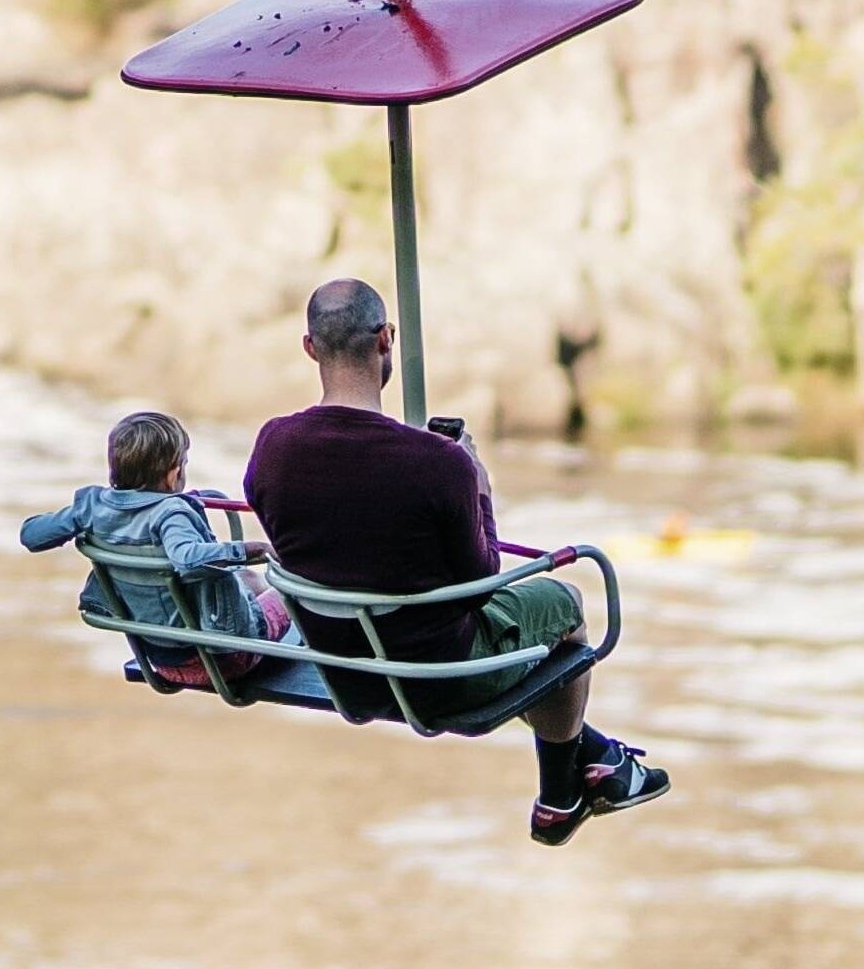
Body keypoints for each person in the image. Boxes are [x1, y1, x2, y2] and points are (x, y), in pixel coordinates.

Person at [239, 278, 670, 845]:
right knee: (562, 604)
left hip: (343, 667)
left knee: (517, 638)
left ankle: (597, 758)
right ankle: (560, 796)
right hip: (436, 678)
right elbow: (481, 581)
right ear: (386, 340)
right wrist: (479, 485)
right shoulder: (439, 464)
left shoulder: (273, 447)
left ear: (310, 348)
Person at [21, 408, 292, 690]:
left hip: (159, 658)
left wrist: (77, 518)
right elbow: (187, 559)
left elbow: (31, 535)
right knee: (289, 591)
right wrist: (253, 550)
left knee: (246, 580)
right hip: (225, 659)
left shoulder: (93, 506)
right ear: (173, 475)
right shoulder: (171, 514)